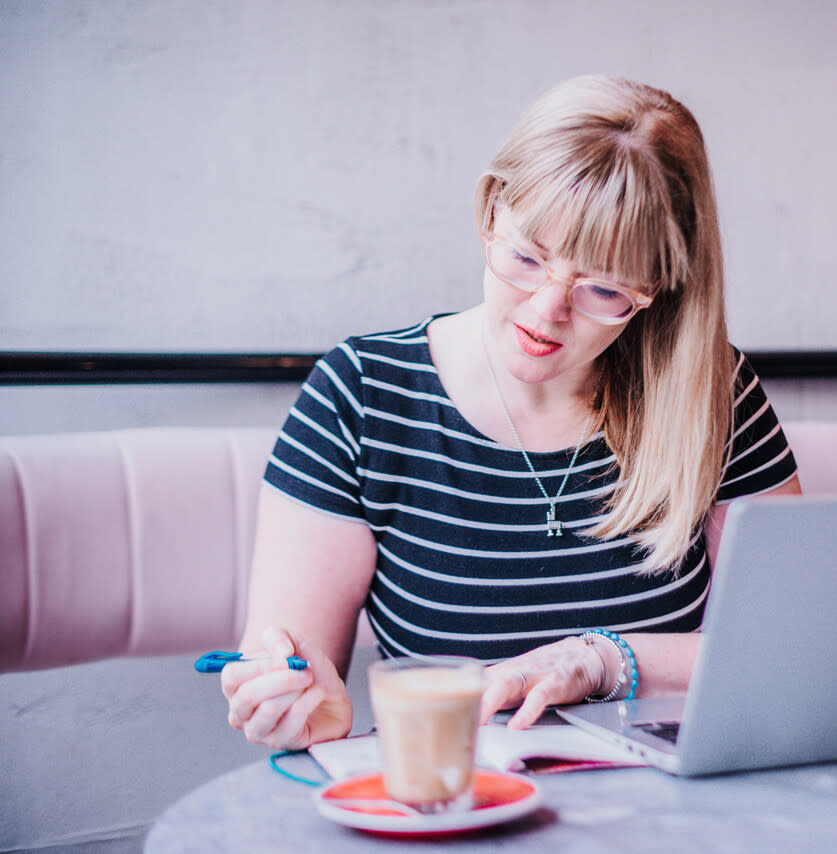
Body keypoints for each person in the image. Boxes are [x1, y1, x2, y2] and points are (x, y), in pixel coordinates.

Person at [222, 74, 802, 750]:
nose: (545, 310)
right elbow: (290, 674)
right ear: (492, 210)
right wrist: (299, 710)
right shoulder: (362, 396)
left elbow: (789, 642)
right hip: (459, 804)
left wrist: (600, 660)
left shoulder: (712, 393)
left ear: (661, 290)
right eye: (526, 257)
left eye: (602, 289)